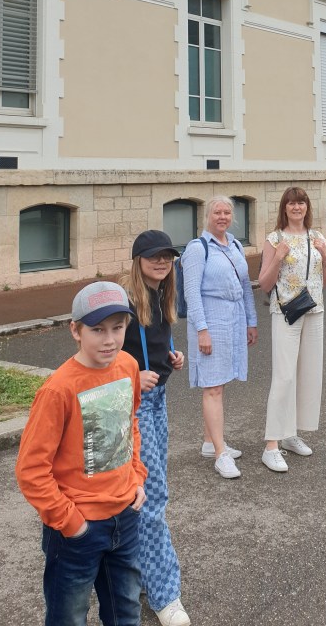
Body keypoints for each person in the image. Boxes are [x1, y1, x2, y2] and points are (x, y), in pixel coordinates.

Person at [15, 281, 147, 626]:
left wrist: (137, 477)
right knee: (69, 616)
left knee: (126, 612)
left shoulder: (128, 366)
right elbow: (31, 469)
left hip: (125, 515)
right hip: (77, 528)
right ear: (75, 330)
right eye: (97, 330)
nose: (109, 340)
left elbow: (129, 423)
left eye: (117, 328)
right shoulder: (58, 390)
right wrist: (71, 523)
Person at [120, 230, 189, 626]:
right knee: (152, 496)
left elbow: (155, 339)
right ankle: (164, 593)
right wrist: (133, 377)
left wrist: (171, 356)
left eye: (167, 256)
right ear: (138, 259)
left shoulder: (162, 295)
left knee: (146, 490)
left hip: (158, 399)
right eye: (153, 256)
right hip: (135, 406)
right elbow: (101, 358)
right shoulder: (125, 302)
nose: (162, 262)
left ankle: (134, 570)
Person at [181, 195, 258, 479]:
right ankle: (220, 454)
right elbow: (191, 293)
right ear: (207, 216)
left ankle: (209, 442)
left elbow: (245, 286)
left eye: (227, 212)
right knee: (212, 387)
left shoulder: (235, 245)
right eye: (217, 212)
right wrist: (202, 330)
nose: (222, 217)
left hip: (234, 319)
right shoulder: (197, 249)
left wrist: (251, 321)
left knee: (220, 382)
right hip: (211, 320)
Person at [257, 186, 326, 473]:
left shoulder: (317, 237)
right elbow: (264, 283)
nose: (297, 207)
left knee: (308, 373)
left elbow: (324, 281)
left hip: (314, 310)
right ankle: (271, 445)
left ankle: (290, 434)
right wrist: (278, 257)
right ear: (284, 208)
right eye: (291, 203)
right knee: (284, 376)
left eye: (301, 203)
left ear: (307, 207)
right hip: (286, 313)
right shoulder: (274, 239)